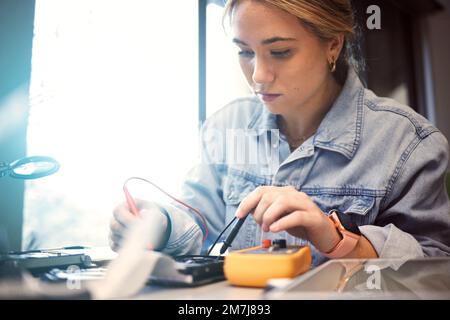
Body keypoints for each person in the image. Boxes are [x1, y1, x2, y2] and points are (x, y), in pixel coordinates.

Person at [110, 0, 450, 266]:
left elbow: (435, 271)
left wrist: (335, 239)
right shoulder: (227, 127)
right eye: (244, 51)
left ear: (333, 45)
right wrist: (159, 224)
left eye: (280, 52)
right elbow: (199, 224)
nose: (258, 75)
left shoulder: (407, 142)